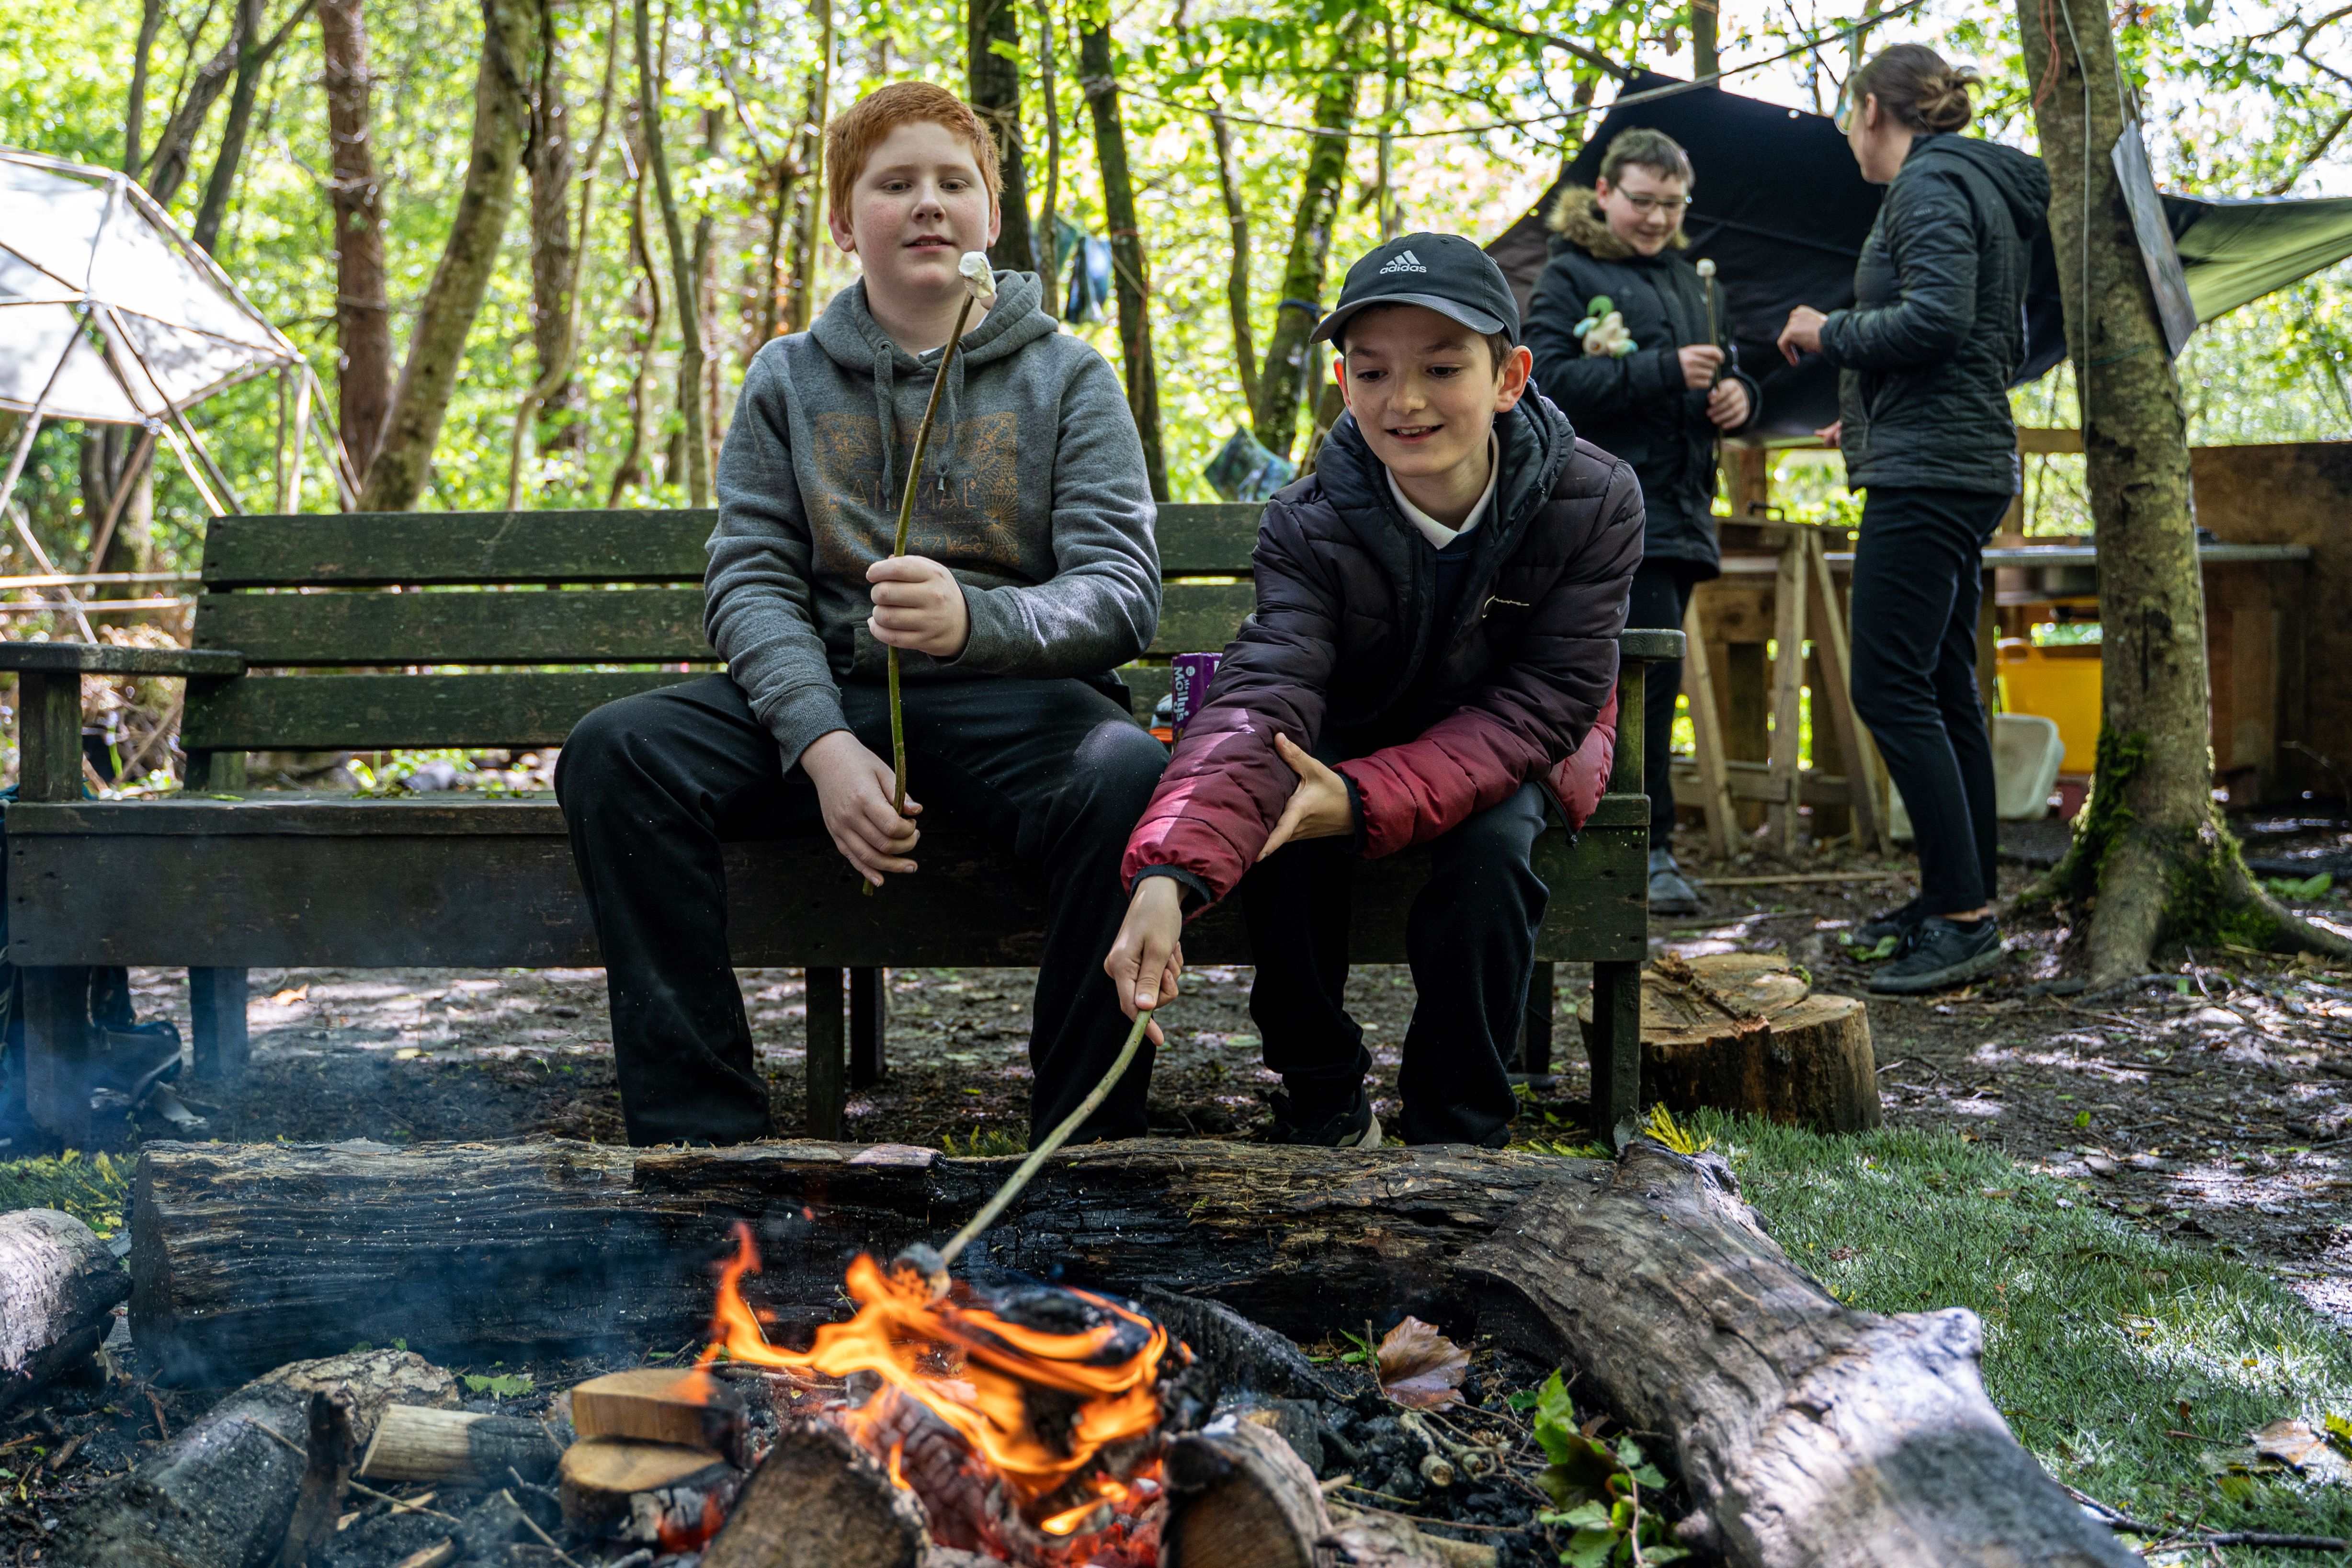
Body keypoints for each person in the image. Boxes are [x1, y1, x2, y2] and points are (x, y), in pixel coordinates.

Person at [557, 81, 1168, 1146]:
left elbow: (1120, 589)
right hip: (833, 700)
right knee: (618, 752)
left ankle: (1083, 1150)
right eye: (894, 184)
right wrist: (824, 745)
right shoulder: (787, 379)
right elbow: (749, 581)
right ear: (845, 223)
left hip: (1015, 706)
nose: (927, 203)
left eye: (952, 182)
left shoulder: (1067, 376)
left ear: (989, 215)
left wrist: (979, 622)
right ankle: (703, 1141)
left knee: (1124, 773)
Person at [1102, 233, 1643, 1149]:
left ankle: (1459, 1126)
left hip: (1513, 747)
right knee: (1284, 831)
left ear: (1510, 376)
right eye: (1373, 370)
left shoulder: (1594, 498)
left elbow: (1549, 700)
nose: (1408, 400)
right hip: (1348, 735)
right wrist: (1167, 873)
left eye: (1442, 367)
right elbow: (1264, 694)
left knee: (1493, 853)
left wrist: (1359, 799)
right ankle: (1323, 1099)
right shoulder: (1310, 521)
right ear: (1344, 382)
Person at [1776, 45, 2049, 994]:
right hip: (1950, 455)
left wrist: (1824, 331)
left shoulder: (1930, 187)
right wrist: (1859, 403)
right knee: (1938, 682)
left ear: (1868, 110)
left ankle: (1966, 916)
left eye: (1848, 117)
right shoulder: (1971, 185)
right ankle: (1950, 895)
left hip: (1932, 471)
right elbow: (1976, 340)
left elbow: (1933, 319)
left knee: (1887, 684)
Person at [1524, 128, 1759, 917]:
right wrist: (1661, 370)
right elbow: (1542, 380)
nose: (1659, 218)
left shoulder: (1698, 280)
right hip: (1602, 513)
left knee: (1658, 686)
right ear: (1604, 194)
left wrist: (1740, 398)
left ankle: (1645, 844)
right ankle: (1632, 847)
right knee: (1618, 681)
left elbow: (1732, 367)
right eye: (1643, 201)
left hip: (1685, 512)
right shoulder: (1569, 273)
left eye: (1672, 203)